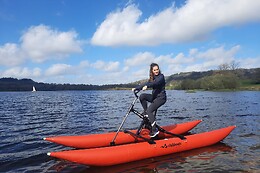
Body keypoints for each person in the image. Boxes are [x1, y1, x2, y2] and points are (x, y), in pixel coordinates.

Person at [133, 63, 167, 138]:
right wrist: (136, 88)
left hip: (161, 98)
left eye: (157, 69)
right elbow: (146, 83)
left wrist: (147, 86)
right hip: (154, 97)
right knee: (142, 96)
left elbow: (155, 83)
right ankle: (146, 112)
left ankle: (154, 130)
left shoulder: (161, 77)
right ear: (152, 71)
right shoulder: (152, 79)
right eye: (154, 70)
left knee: (150, 111)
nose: (156, 71)